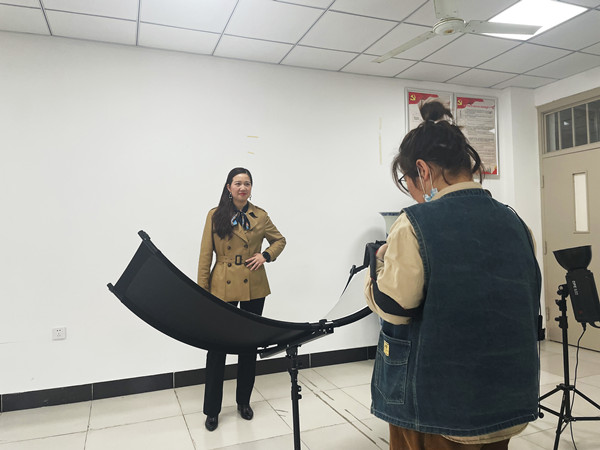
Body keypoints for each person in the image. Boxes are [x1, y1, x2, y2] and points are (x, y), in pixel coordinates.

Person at [365, 101, 541, 450]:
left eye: (408, 183)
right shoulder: (515, 222)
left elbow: (395, 307)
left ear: (422, 170)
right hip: (507, 397)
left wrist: (377, 269)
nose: (413, 194)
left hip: (440, 405)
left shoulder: (414, 223)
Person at [197, 167, 286, 432]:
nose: (242, 188)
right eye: (238, 183)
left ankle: (243, 402)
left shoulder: (260, 215)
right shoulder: (215, 215)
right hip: (221, 284)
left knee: (249, 347)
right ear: (229, 187)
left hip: (253, 286)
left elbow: (279, 240)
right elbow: (205, 255)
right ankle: (212, 410)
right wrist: (201, 291)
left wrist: (265, 256)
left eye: (247, 183)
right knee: (217, 349)